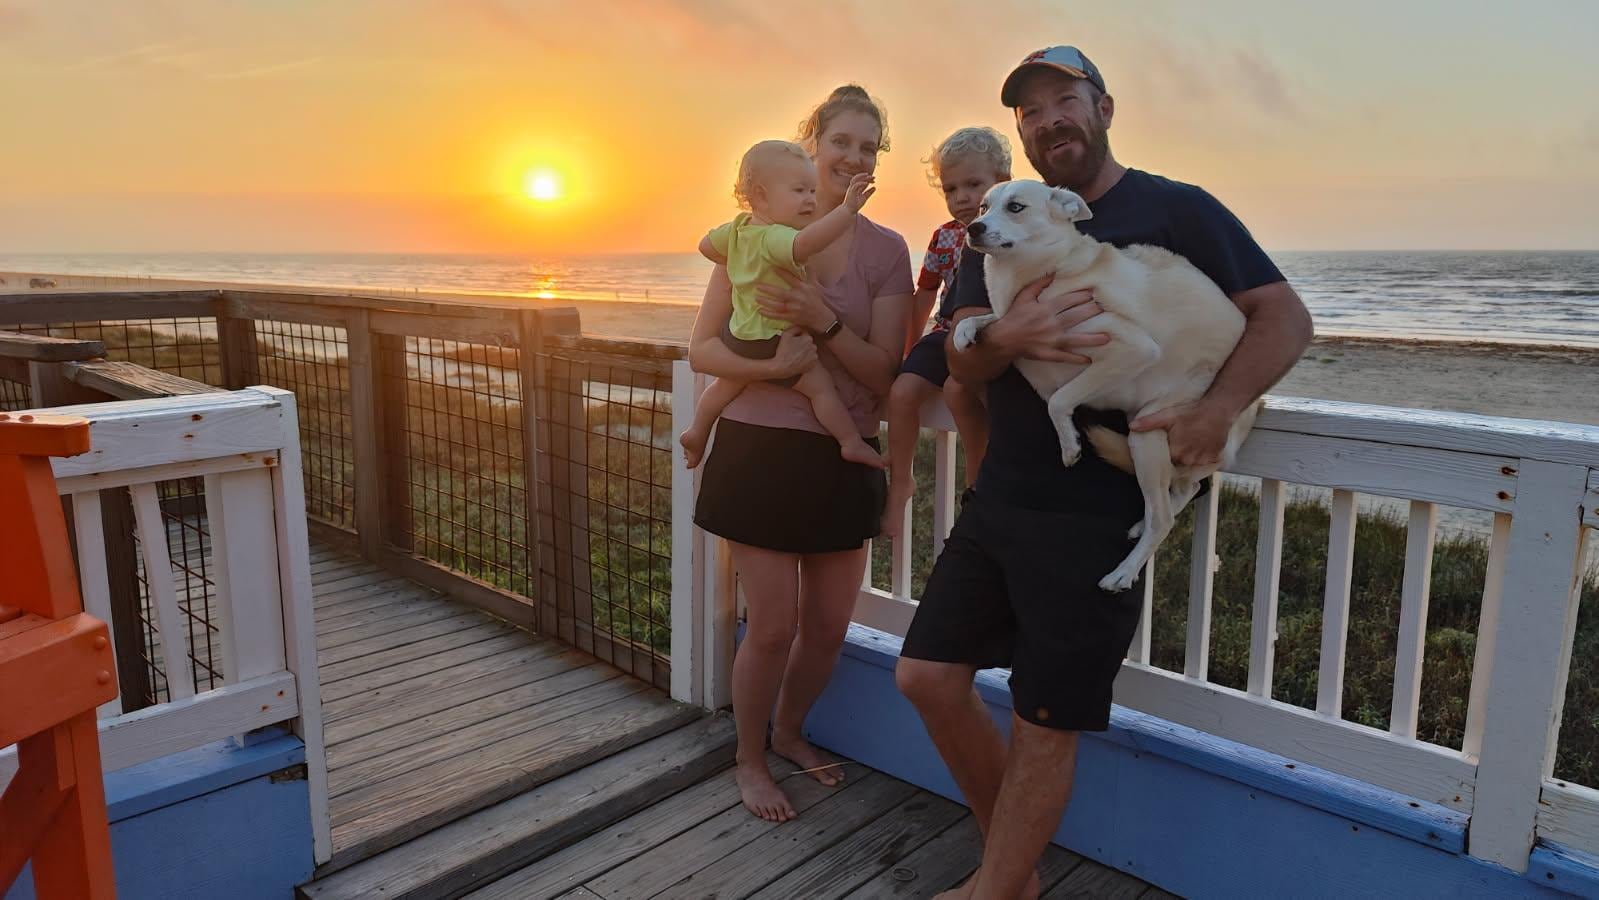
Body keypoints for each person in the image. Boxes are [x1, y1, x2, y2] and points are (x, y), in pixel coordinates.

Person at [894, 46, 1314, 899]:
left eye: (1064, 99)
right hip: (1004, 489)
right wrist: (1003, 339)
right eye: (1031, 110)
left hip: (1096, 512)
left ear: (1104, 108)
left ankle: (997, 886)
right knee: (925, 677)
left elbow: (1281, 316)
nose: (1049, 118)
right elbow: (965, 357)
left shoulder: (1175, 209)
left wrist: (1212, 411)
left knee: (1047, 721)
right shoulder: (1002, 218)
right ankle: (1011, 862)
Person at [688, 84, 914, 822]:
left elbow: (886, 370)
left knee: (826, 627)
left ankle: (788, 733)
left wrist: (821, 322)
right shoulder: (751, 232)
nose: (852, 158)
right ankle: (747, 758)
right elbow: (703, 348)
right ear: (812, 141)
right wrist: (771, 370)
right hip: (758, 446)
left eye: (867, 147)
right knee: (775, 625)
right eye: (840, 141)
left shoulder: (884, 251)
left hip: (843, 452)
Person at [679, 139, 883, 470]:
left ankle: (697, 430)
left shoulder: (738, 230)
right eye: (800, 191)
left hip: (740, 337)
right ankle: (850, 442)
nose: (810, 200)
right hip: (773, 340)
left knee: (722, 388)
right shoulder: (775, 237)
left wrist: (737, 260)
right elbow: (805, 244)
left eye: (812, 192)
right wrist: (846, 210)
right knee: (820, 390)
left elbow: (705, 245)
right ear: (761, 195)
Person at [881, 127, 1009, 536]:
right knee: (901, 393)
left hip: (989, 336)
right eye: (951, 189)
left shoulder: (1013, 233)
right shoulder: (946, 236)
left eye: (974, 184)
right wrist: (908, 348)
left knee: (960, 391)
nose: (963, 198)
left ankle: (977, 482)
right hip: (945, 331)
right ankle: (900, 480)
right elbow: (925, 293)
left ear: (1002, 180)